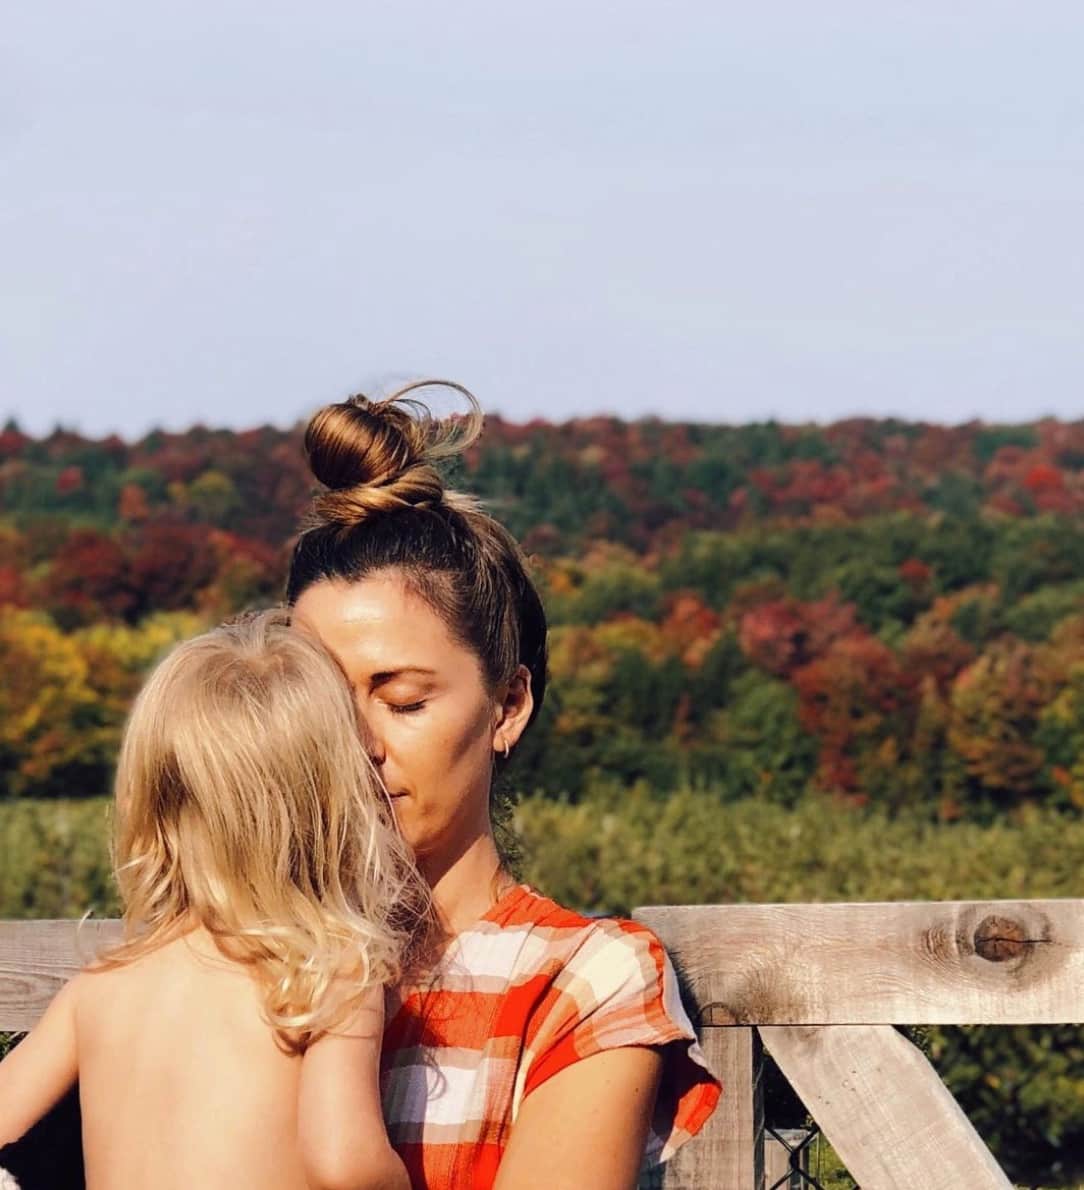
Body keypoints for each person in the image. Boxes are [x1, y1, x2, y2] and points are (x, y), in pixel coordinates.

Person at [287, 380, 722, 1190]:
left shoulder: (583, 981)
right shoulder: (249, 955)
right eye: (318, 703)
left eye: (403, 701)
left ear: (508, 705)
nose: (356, 745)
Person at [0, 609, 428, 1190]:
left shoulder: (100, 985)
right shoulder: (328, 974)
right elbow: (345, 1165)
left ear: (156, 805)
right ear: (333, 805)